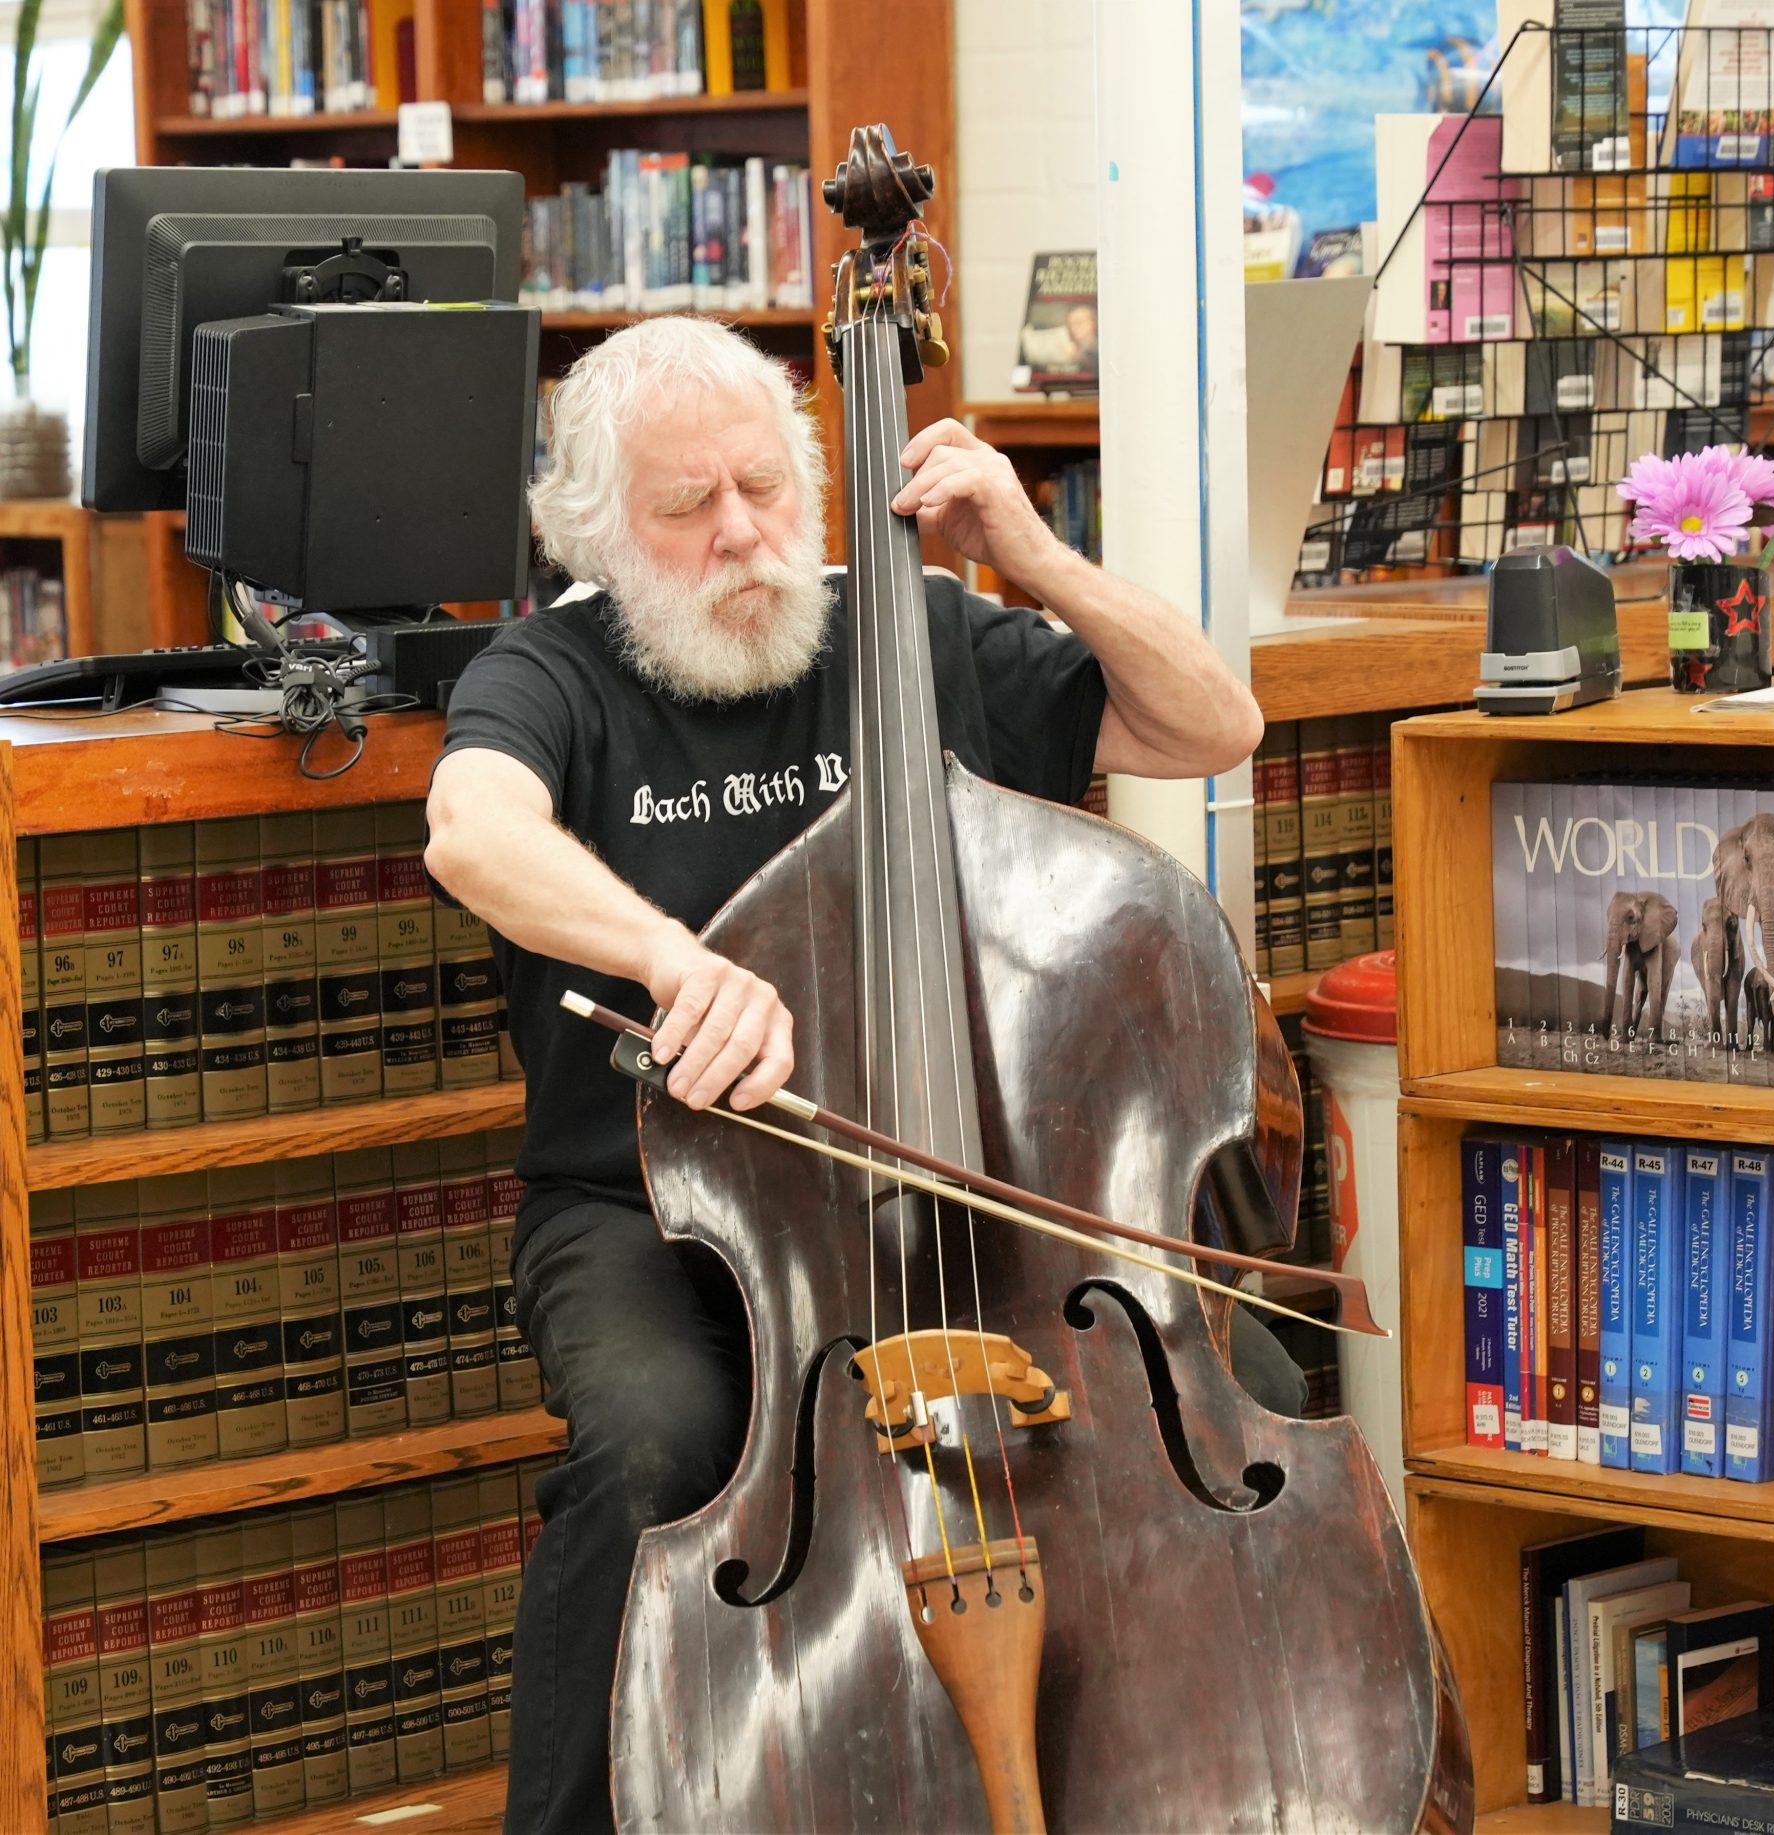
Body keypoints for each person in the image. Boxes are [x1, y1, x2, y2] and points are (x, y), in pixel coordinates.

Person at [424, 316, 1287, 1835]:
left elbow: (1216, 724)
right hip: (659, 1208)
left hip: (970, 1192)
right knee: (655, 1444)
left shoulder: (916, 630)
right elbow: (473, 833)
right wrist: (673, 961)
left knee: (1245, 1394)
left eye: (763, 486)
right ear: (592, 528)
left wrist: (1034, 549)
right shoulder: (549, 671)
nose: (741, 533)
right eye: (687, 508)